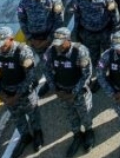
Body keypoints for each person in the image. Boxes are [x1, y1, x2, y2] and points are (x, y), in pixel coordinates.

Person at [0, 26, 44, 153]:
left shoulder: (23, 52)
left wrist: (16, 97)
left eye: (3, 44)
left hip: (24, 92)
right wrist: (2, 95)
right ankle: (25, 136)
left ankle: (37, 133)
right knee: (17, 117)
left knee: (33, 113)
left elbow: (30, 77)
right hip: (7, 93)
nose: (0, 47)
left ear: (11, 39)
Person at [42, 26, 95, 157]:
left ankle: (89, 132)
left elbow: (87, 74)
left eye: (61, 43)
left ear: (68, 40)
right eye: (56, 43)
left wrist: (73, 93)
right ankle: (77, 135)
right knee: (71, 115)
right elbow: (47, 71)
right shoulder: (51, 51)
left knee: (85, 114)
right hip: (62, 91)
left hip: (79, 92)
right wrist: (56, 89)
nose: (58, 47)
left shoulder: (80, 51)